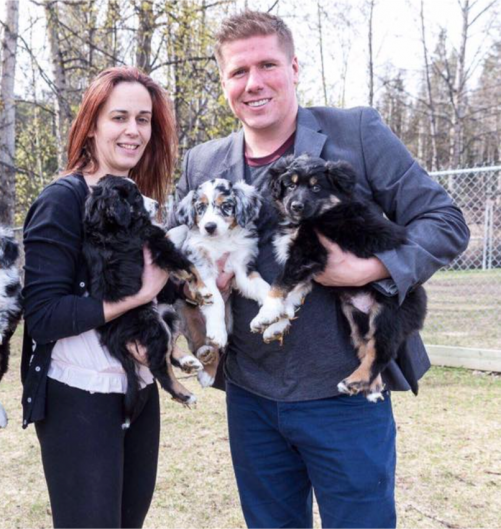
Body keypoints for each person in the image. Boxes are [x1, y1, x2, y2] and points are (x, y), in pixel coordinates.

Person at [175, 11, 470, 529]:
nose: (254, 83)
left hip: (343, 397)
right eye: (238, 72)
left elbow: (445, 222)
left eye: (267, 64)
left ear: (294, 68)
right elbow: (183, 251)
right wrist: (200, 278)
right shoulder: (203, 164)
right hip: (252, 395)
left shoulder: (355, 131)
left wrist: (367, 269)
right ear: (223, 82)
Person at [20, 66, 178, 529]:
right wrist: (137, 297)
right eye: (119, 117)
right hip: (79, 396)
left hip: (138, 389)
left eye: (144, 120)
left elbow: (161, 294)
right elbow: (44, 315)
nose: (134, 131)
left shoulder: (141, 202)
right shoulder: (62, 200)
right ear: (91, 125)